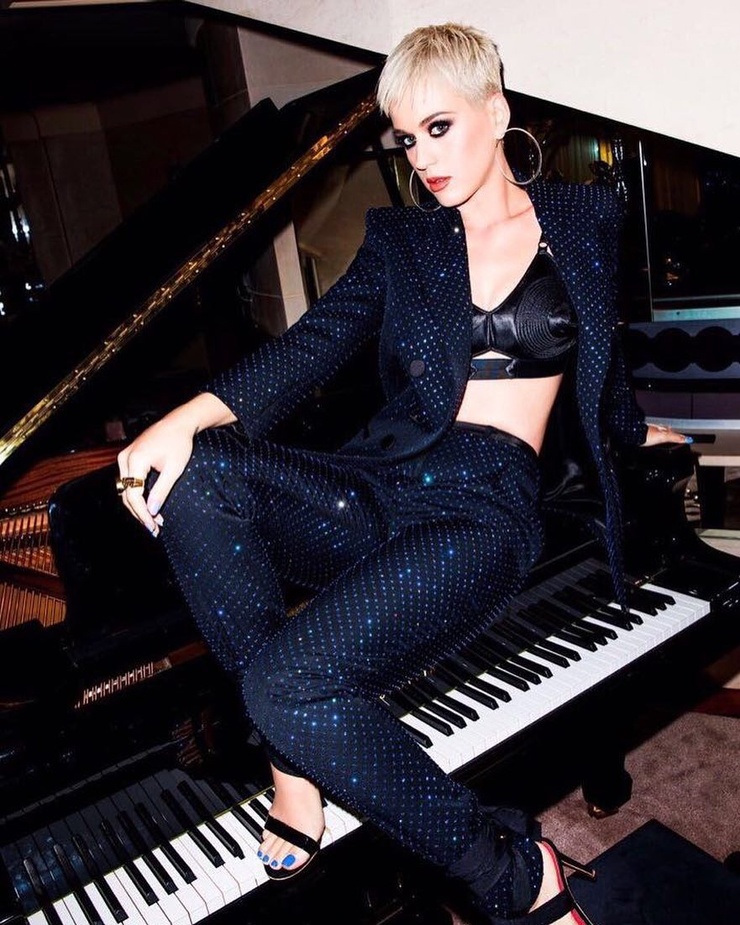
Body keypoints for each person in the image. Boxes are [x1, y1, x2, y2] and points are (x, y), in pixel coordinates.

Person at [116, 22, 688, 925]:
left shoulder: (584, 220)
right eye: (407, 137)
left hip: (485, 508)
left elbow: (601, 359)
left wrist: (631, 429)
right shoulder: (403, 241)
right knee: (199, 470)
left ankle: (516, 870)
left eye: (439, 127)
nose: (421, 156)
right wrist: (181, 420)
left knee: (283, 685)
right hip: (381, 484)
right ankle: (294, 761)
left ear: (495, 110)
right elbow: (310, 347)